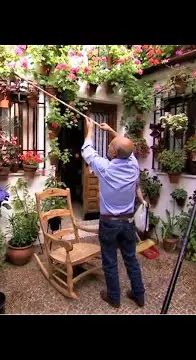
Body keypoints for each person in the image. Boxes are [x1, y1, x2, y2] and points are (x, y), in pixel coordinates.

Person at [81, 118, 145, 308]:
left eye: (110, 146)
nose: (108, 147)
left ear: (114, 152)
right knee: (131, 259)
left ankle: (114, 298)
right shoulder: (133, 165)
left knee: (109, 260)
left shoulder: (105, 168)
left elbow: (87, 150)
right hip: (127, 222)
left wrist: (90, 130)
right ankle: (139, 295)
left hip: (109, 224)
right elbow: (127, 147)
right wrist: (110, 130)